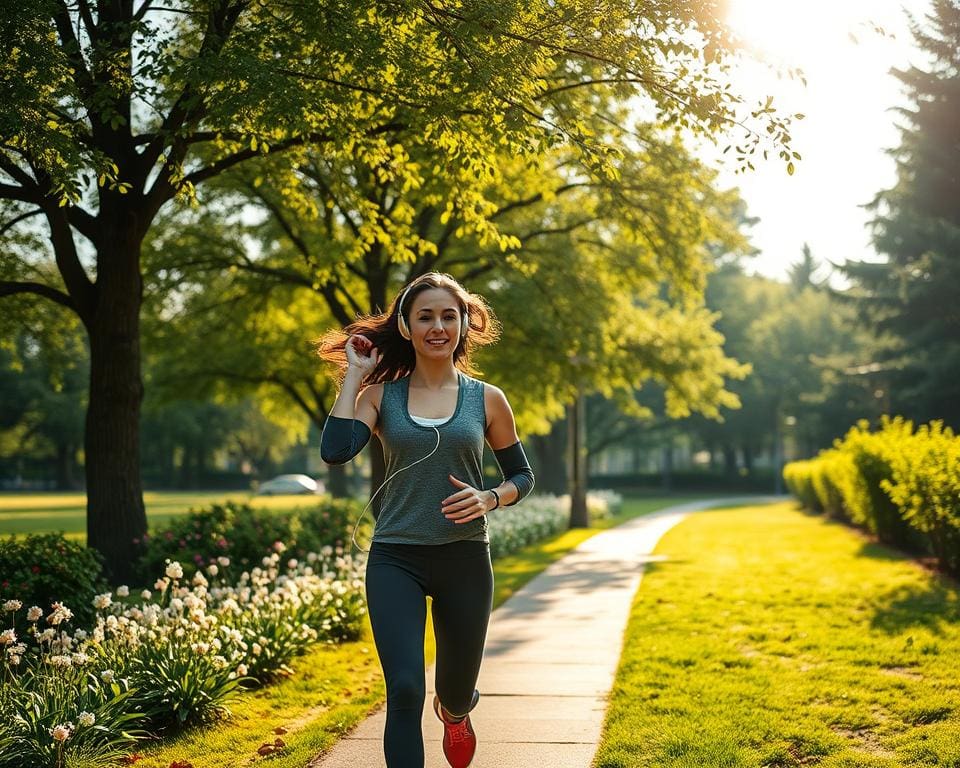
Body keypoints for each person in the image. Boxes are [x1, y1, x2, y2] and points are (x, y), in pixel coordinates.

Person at [316, 272, 535, 768]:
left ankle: (456, 713)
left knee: (453, 690)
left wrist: (490, 498)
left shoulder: (488, 398)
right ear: (406, 326)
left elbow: (522, 476)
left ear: (463, 325)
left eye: (448, 316)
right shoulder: (380, 396)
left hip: (464, 559)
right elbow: (335, 450)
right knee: (405, 688)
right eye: (425, 316)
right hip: (396, 558)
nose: (438, 326)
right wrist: (355, 373)